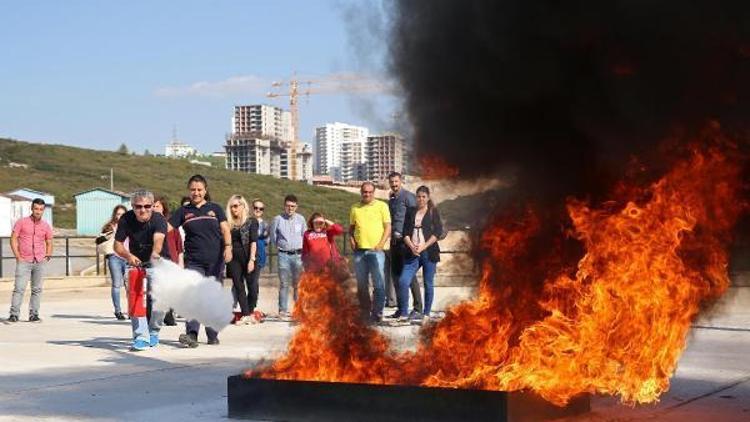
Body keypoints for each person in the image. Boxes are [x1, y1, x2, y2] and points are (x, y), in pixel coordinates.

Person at [169, 174, 232, 347]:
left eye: (199, 189)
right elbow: (166, 228)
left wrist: (228, 247)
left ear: (205, 191)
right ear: (189, 191)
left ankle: (212, 333)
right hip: (194, 261)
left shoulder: (215, 209)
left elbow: (225, 229)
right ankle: (192, 334)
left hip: (215, 261)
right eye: (193, 190)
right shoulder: (184, 211)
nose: (196, 193)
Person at [113, 190, 171, 351]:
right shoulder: (126, 219)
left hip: (157, 260)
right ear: (132, 206)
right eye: (138, 206)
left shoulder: (159, 219)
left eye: (147, 206)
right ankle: (141, 336)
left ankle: (153, 331)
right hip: (135, 261)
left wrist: (155, 252)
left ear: (152, 206)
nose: (143, 210)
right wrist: (128, 255)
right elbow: (117, 245)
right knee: (135, 297)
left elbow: (158, 239)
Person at [397, 185, 443, 324]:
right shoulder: (411, 211)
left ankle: (426, 314)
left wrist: (424, 246)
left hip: (429, 252)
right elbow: (405, 232)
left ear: (428, 198)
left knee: (428, 283)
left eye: (423, 197)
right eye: (418, 196)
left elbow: (438, 232)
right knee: (403, 281)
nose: (421, 199)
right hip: (412, 253)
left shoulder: (433, 211)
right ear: (415, 197)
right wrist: (411, 246)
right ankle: (404, 313)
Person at [349, 182, 391, 323]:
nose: (367, 194)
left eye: (370, 192)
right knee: (362, 286)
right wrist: (351, 240)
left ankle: (377, 313)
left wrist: (380, 244)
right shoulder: (355, 207)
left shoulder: (382, 206)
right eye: (364, 192)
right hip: (359, 252)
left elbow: (388, 228)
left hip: (376, 252)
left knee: (379, 284)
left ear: (374, 192)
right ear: (361, 192)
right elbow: (351, 228)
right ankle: (365, 313)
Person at [7, 198, 53, 323]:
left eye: (41, 209)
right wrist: (17, 256)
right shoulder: (21, 222)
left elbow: (49, 241)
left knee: (37, 289)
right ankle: (14, 314)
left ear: (43, 210)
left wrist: (48, 254)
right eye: (36, 208)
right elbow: (13, 238)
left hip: (39, 261)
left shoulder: (45, 225)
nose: (38, 211)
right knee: (19, 288)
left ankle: (34, 315)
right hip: (24, 260)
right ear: (32, 209)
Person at [386, 172, 422, 319]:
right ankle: (401, 309)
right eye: (392, 182)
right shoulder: (392, 200)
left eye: (396, 181)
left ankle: (418, 308)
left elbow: (416, 218)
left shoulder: (409, 197)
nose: (394, 184)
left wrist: (414, 239)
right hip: (394, 243)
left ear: (401, 181)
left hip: (406, 243)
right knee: (395, 275)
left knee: (410, 275)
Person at [269, 194, 306, 319]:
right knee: (284, 283)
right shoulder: (277, 219)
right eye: (288, 206)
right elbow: (273, 237)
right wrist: (281, 247)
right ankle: (283, 310)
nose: (290, 208)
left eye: (293, 206)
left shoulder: (301, 219)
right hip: (283, 255)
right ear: (284, 206)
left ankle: (298, 310)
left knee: (298, 284)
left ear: (296, 207)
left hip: (298, 255)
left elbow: (304, 235)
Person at [225, 195, 258, 325]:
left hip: (248, 256)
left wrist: (251, 259)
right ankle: (245, 314)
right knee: (239, 286)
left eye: (236, 206)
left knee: (253, 288)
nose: (234, 209)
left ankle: (250, 311)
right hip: (233, 258)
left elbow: (253, 241)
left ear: (243, 206)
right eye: (231, 206)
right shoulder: (228, 223)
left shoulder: (251, 221)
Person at [153, 196, 183, 326]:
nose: (154, 208)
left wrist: (181, 262)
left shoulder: (171, 225)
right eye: (153, 206)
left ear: (163, 208)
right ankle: (158, 314)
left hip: (171, 260)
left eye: (157, 206)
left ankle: (169, 313)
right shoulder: (149, 225)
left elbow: (179, 245)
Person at [98, 204, 128, 320]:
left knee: (129, 286)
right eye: (118, 213)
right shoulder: (109, 227)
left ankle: (131, 311)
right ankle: (118, 311)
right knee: (116, 284)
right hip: (114, 257)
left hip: (127, 257)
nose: (120, 216)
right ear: (115, 215)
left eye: (122, 214)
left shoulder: (130, 225)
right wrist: (109, 234)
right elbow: (99, 240)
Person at [248, 199, 269, 322]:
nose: (258, 210)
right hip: (246, 254)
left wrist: (258, 243)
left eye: (261, 209)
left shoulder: (265, 224)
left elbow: (268, 239)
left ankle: (252, 305)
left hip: (259, 253)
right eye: (256, 208)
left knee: (254, 282)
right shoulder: (247, 221)